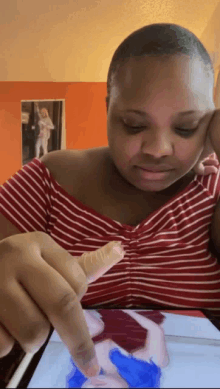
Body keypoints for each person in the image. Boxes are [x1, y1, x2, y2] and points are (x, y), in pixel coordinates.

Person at [0, 23, 220, 378]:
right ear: (108, 109)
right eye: (133, 125)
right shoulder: (48, 180)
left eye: (186, 128)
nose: (158, 150)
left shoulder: (212, 189)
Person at [66, 309, 168, 388]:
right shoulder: (151, 361)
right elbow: (156, 330)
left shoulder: (92, 363)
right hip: (137, 302)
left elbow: (89, 322)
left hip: (101, 300)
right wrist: (127, 311)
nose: (94, 386)